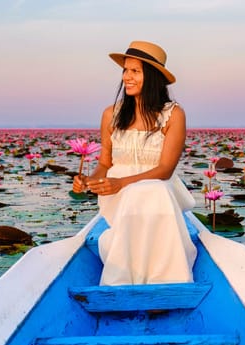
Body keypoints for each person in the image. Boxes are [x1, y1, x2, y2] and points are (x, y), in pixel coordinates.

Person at [73, 40, 197, 286]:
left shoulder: (174, 114)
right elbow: (105, 163)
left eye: (135, 71)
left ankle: (165, 279)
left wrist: (122, 183)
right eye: (125, 70)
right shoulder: (111, 114)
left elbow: (165, 170)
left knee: (152, 190)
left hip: (158, 190)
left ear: (151, 77)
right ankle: (126, 278)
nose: (126, 77)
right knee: (139, 195)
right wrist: (89, 181)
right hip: (119, 196)